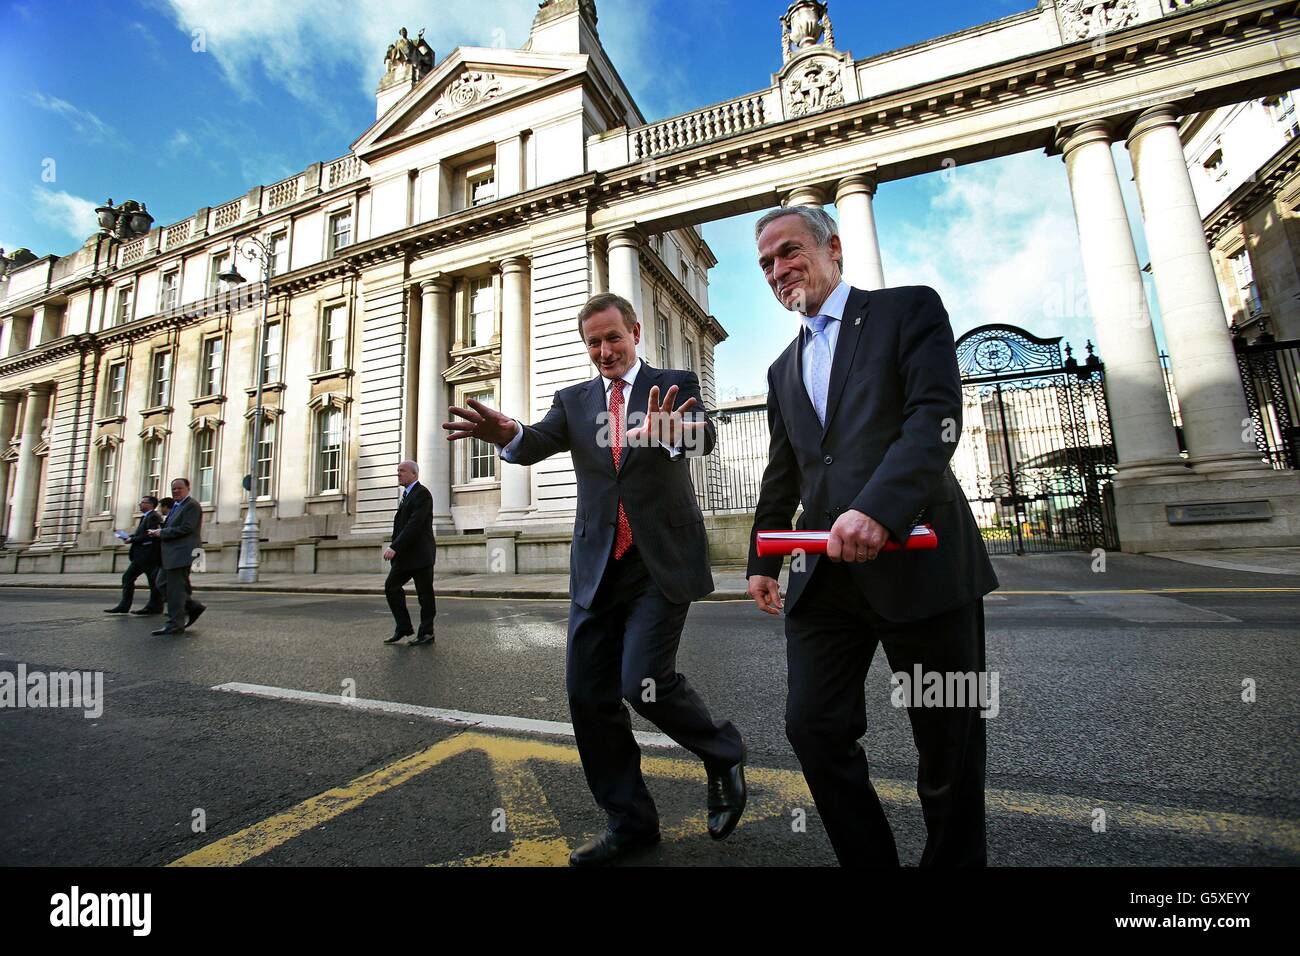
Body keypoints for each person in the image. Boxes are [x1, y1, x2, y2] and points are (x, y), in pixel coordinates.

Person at [444, 292, 746, 867]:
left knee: (643, 683)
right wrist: (507, 430)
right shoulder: (575, 401)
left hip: (658, 563)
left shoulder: (674, 382)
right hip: (597, 566)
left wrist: (668, 430)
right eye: (594, 343)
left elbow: (702, 438)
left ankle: (722, 751)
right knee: (588, 697)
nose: (605, 350)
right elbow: (533, 443)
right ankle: (630, 822)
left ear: (635, 332)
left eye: (613, 338)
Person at [745, 206, 999, 867]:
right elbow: (785, 471)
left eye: (789, 251)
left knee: (947, 745)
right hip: (825, 579)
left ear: (833, 248)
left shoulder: (908, 310)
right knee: (812, 726)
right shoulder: (781, 368)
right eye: (766, 263)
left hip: (920, 562)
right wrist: (760, 558)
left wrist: (879, 509)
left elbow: (934, 418)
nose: (778, 269)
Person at [383, 460, 436, 646]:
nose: (398, 474)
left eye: (402, 471)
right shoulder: (407, 495)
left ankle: (427, 632)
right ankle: (403, 627)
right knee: (391, 586)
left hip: (420, 555)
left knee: (425, 595)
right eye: (397, 471)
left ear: (414, 474)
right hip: (406, 556)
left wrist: (394, 546)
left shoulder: (422, 494)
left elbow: (414, 525)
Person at [148, 478, 207, 636]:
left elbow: (187, 528)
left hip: (182, 553)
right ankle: (192, 606)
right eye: (173, 489)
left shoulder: (192, 505)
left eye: (179, 488)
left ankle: (175, 624)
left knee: (175, 590)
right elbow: (173, 526)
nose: (176, 491)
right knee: (161, 583)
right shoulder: (177, 506)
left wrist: (162, 533)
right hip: (171, 554)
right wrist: (158, 532)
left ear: (188, 488)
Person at [104, 495, 163, 615]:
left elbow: (150, 535)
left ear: (151, 505)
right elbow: (142, 534)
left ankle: (155, 606)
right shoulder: (145, 517)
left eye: (143, 502)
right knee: (128, 578)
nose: (140, 504)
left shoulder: (153, 517)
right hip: (140, 556)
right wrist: (129, 537)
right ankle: (124, 606)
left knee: (152, 581)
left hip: (149, 555)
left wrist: (131, 540)